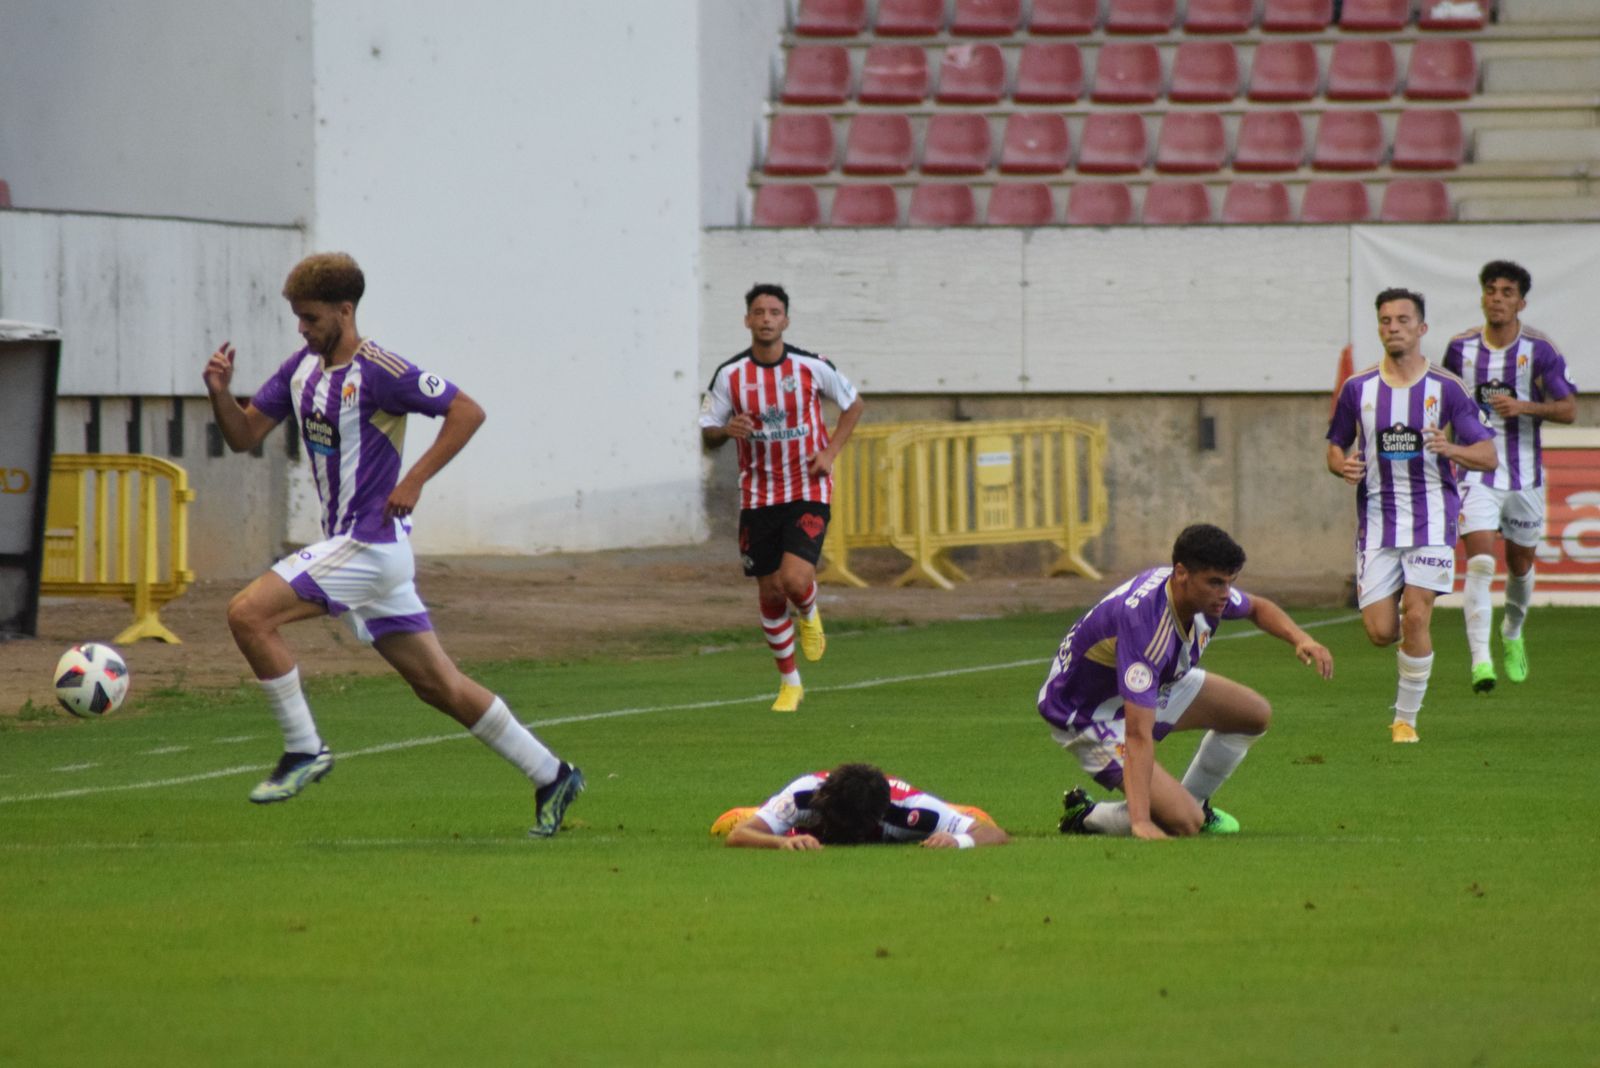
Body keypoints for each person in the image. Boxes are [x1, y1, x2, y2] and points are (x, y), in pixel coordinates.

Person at [202, 252, 583, 836]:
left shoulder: (380, 370)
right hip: (360, 551)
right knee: (438, 685)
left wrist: (414, 480)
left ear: (344, 311)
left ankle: (304, 748)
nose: (301, 329)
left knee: (247, 614)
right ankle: (552, 774)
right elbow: (244, 434)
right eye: (298, 318)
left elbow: (466, 411)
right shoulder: (301, 370)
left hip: (369, 544)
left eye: (310, 318)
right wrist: (219, 394)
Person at [1040, 524, 1333, 840]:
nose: (1225, 593)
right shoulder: (1146, 627)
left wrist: (1301, 639)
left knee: (1254, 713)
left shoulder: (1201, 594)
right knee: (1183, 824)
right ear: (1181, 573)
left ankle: (1194, 803)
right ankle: (1087, 815)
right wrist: (1141, 822)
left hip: (1145, 683)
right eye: (1215, 582)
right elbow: (1138, 734)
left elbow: (1258, 608)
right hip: (1088, 713)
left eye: (1230, 582)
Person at [1326, 287, 1497, 743]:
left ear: (1421, 328)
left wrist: (1451, 448)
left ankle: (1405, 721)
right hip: (1378, 525)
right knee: (1382, 632)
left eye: (1403, 320)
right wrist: (1341, 466)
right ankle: (1410, 631)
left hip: (1432, 520)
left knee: (1416, 615)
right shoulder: (1358, 388)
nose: (1394, 328)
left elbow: (1487, 455)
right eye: (1386, 321)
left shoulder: (1446, 388)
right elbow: (1335, 445)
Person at [699, 284, 866, 712]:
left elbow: (854, 405)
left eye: (774, 312)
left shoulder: (811, 366)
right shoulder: (730, 375)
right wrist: (726, 430)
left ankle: (808, 611)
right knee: (771, 591)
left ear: (786, 321)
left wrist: (829, 453)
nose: (766, 319)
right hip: (758, 495)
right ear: (747, 321)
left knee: (793, 580)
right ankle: (790, 683)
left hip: (808, 487)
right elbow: (707, 433)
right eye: (759, 312)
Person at [1441, 261, 1579, 693]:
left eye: (1506, 292)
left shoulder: (1539, 350)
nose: (1497, 298)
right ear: (1482, 297)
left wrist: (1525, 407)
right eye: (1491, 290)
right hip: (1475, 473)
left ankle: (1512, 632)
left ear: (1521, 302)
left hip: (1524, 477)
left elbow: (1569, 410)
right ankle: (1481, 661)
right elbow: (1443, 403)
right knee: (1480, 561)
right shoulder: (1459, 349)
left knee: (1520, 565)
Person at [717, 763, 1009, 850]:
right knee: (728, 822)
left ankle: (955, 811)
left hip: (922, 806)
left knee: (977, 817)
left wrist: (957, 841)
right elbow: (738, 835)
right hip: (792, 817)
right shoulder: (804, 794)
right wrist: (780, 842)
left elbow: (994, 834)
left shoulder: (910, 810)